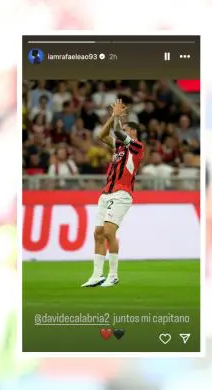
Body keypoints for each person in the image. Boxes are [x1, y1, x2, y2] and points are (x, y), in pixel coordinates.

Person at [81, 99, 145, 287]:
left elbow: (116, 132)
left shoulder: (136, 147)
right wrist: (112, 117)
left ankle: (114, 275)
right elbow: (102, 135)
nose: (123, 130)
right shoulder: (117, 148)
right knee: (98, 232)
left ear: (133, 133)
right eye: (123, 128)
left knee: (109, 231)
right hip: (106, 192)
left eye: (127, 129)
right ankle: (97, 275)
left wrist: (117, 118)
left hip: (122, 193)